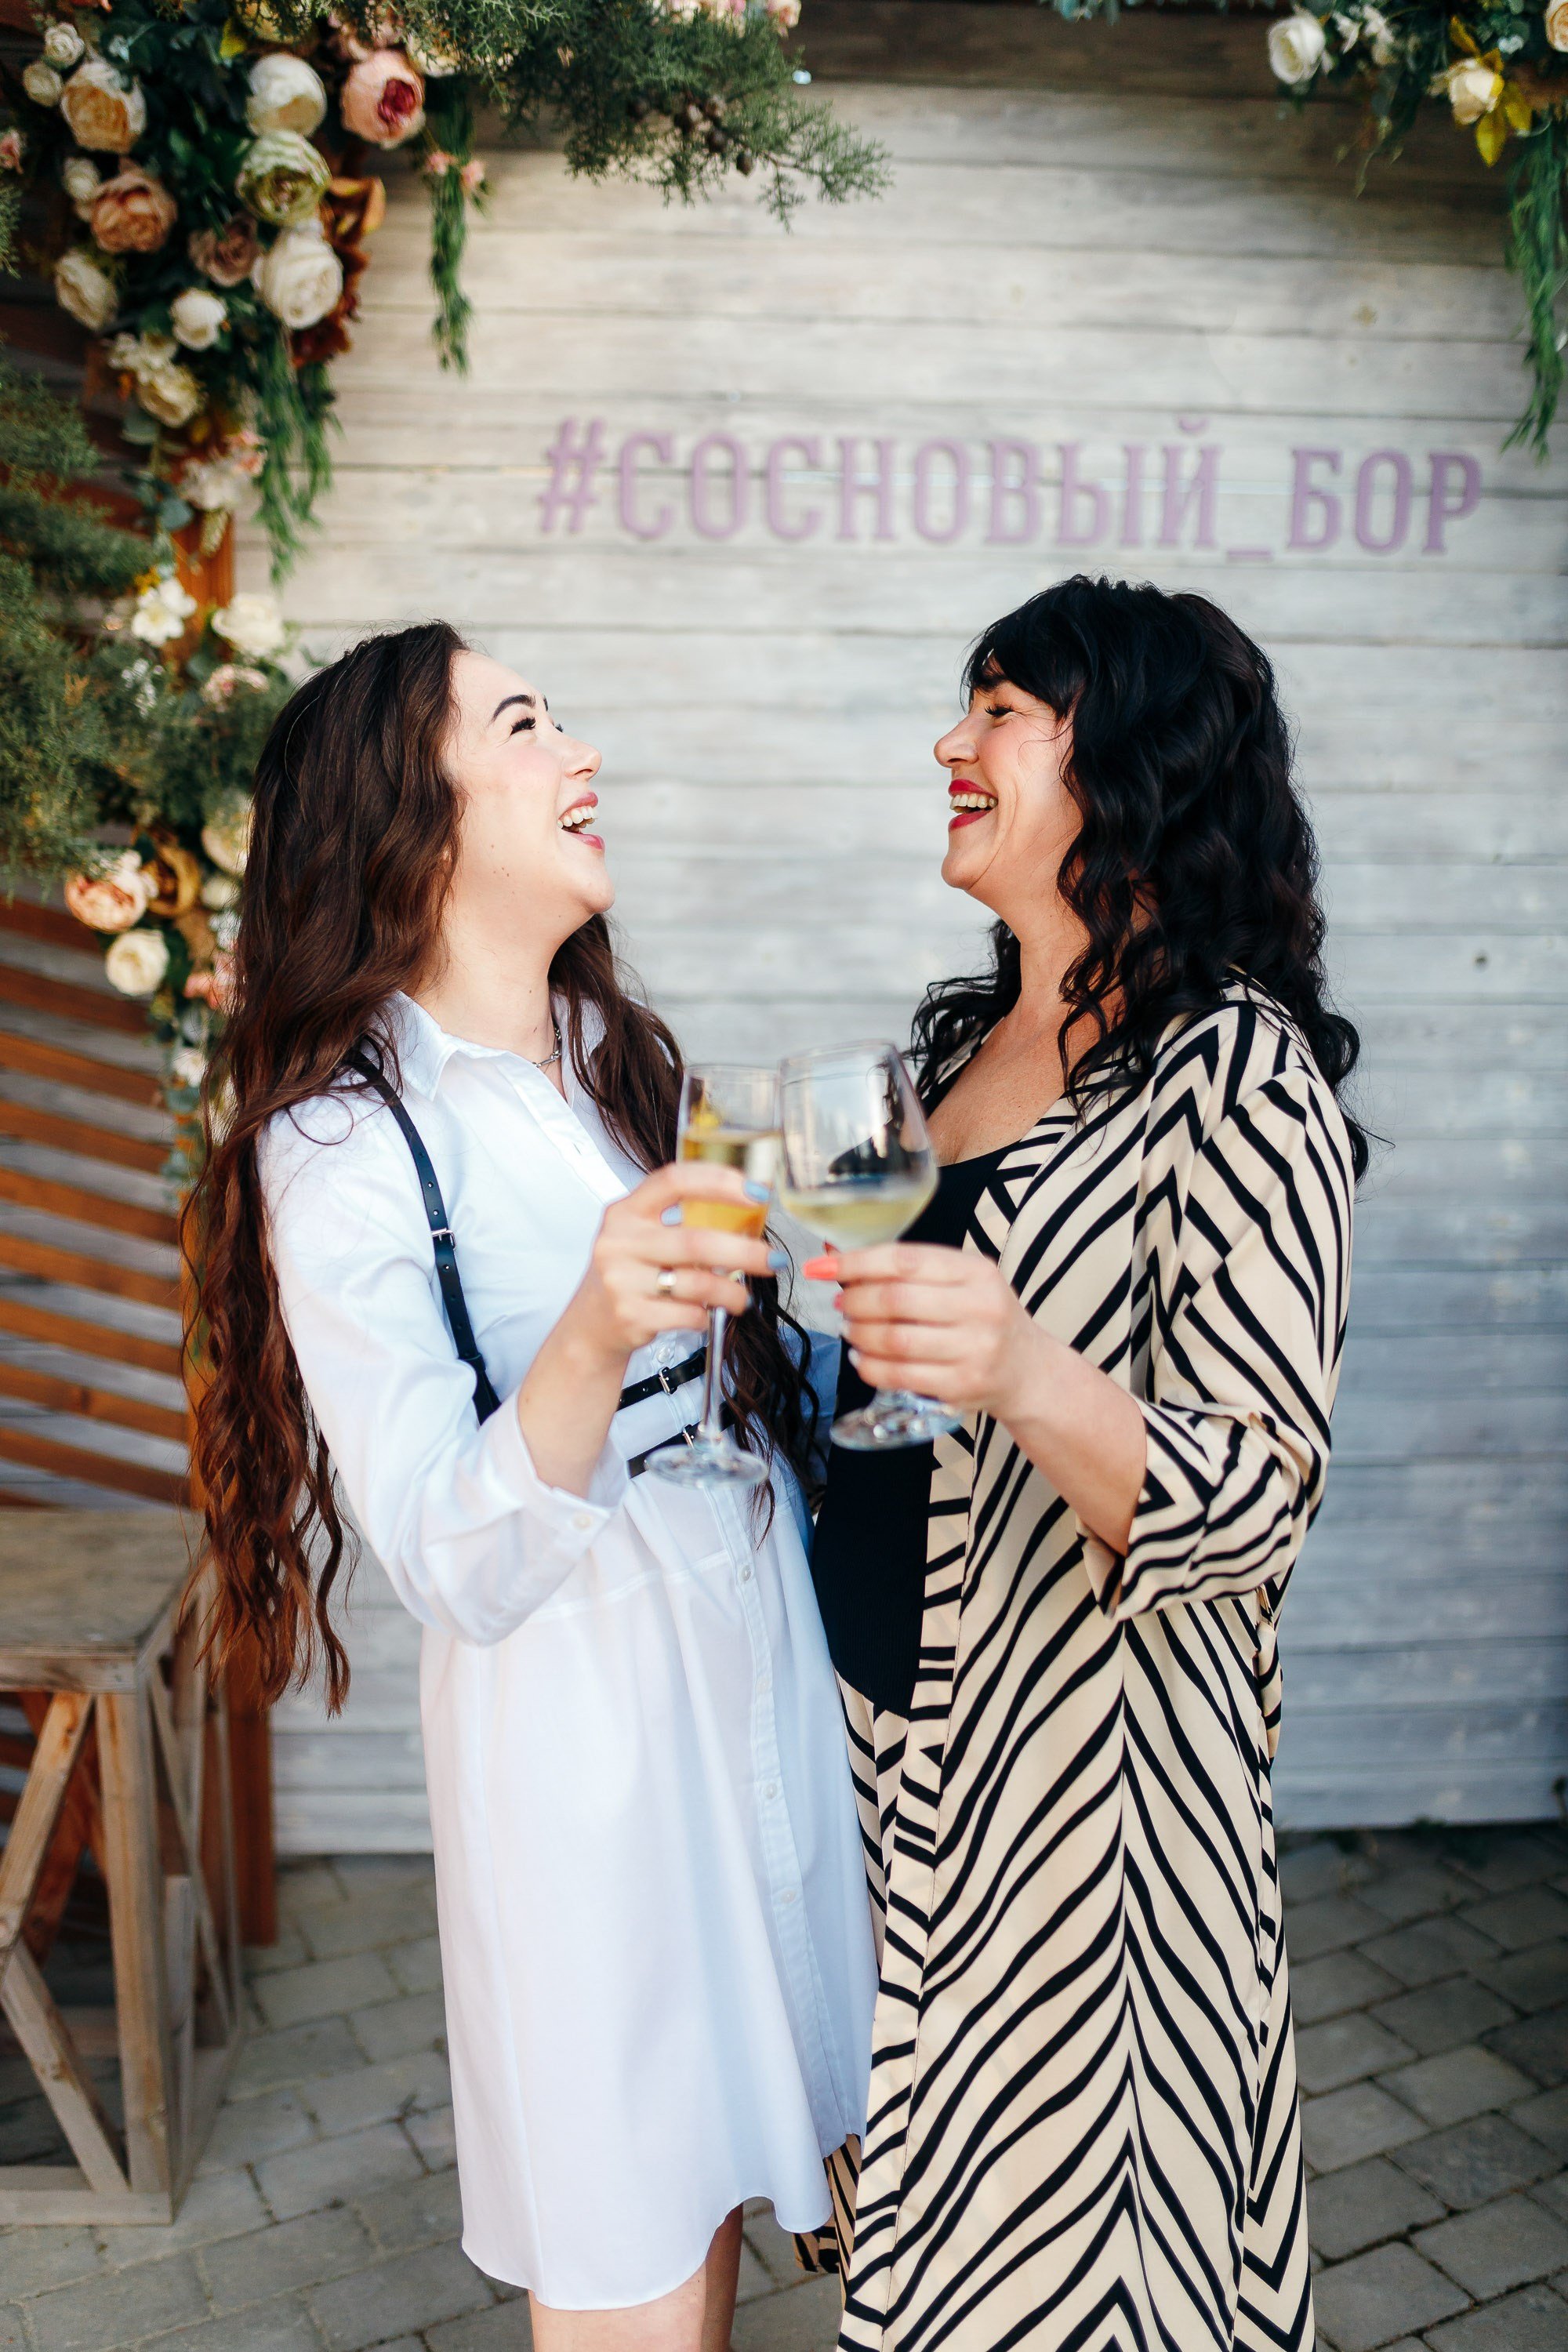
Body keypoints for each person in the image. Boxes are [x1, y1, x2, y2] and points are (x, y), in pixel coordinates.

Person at [190, 622, 877, 2352]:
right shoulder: (342, 1143)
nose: (582, 750)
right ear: (407, 820)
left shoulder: (613, 1055)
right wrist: (590, 1329)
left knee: (736, 2191)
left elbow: (739, 1357)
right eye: (523, 722)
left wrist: (842, 1310)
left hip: (759, 1683)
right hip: (589, 1751)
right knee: (633, 2245)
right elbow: (444, 1554)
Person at [808, 578, 1361, 2352]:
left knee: (1076, 2286)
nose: (949, 745)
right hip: (895, 1769)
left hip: (1083, 1841)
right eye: (961, 706)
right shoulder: (949, 1051)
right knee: (920, 2258)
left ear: (1122, 756)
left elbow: (1260, 1498)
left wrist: (1031, 1372)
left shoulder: (1238, 1080)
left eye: (999, 708)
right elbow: (870, 1372)